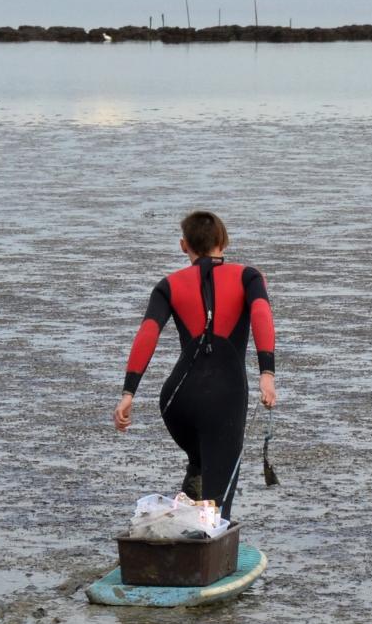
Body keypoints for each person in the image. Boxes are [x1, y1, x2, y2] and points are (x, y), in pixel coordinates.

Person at [115, 211, 277, 516]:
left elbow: (148, 332)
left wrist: (128, 394)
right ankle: (204, 555)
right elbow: (261, 315)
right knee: (218, 502)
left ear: (183, 245)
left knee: (201, 464)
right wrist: (266, 373)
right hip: (224, 397)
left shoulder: (169, 285)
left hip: (177, 401)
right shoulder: (249, 276)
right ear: (223, 241)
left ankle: (181, 522)